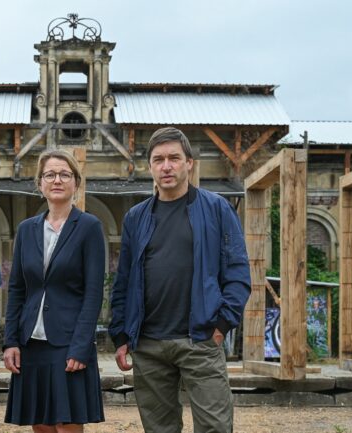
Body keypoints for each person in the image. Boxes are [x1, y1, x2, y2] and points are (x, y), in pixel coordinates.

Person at [108, 127, 251, 433]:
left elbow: (238, 273)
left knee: (214, 427)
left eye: (174, 157)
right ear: (150, 167)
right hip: (148, 344)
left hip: (200, 339)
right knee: (159, 429)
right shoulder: (136, 217)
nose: (167, 166)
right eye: (158, 159)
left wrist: (221, 326)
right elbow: (124, 281)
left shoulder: (216, 209)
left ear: (189, 163)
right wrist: (121, 335)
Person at [3, 150, 105, 432]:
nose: (57, 180)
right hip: (30, 343)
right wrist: (10, 341)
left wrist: (81, 345)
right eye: (50, 174)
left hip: (68, 342)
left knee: (66, 424)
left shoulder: (89, 227)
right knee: (41, 424)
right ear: (40, 184)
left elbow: (94, 292)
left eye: (65, 174)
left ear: (76, 183)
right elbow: (17, 289)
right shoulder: (26, 230)